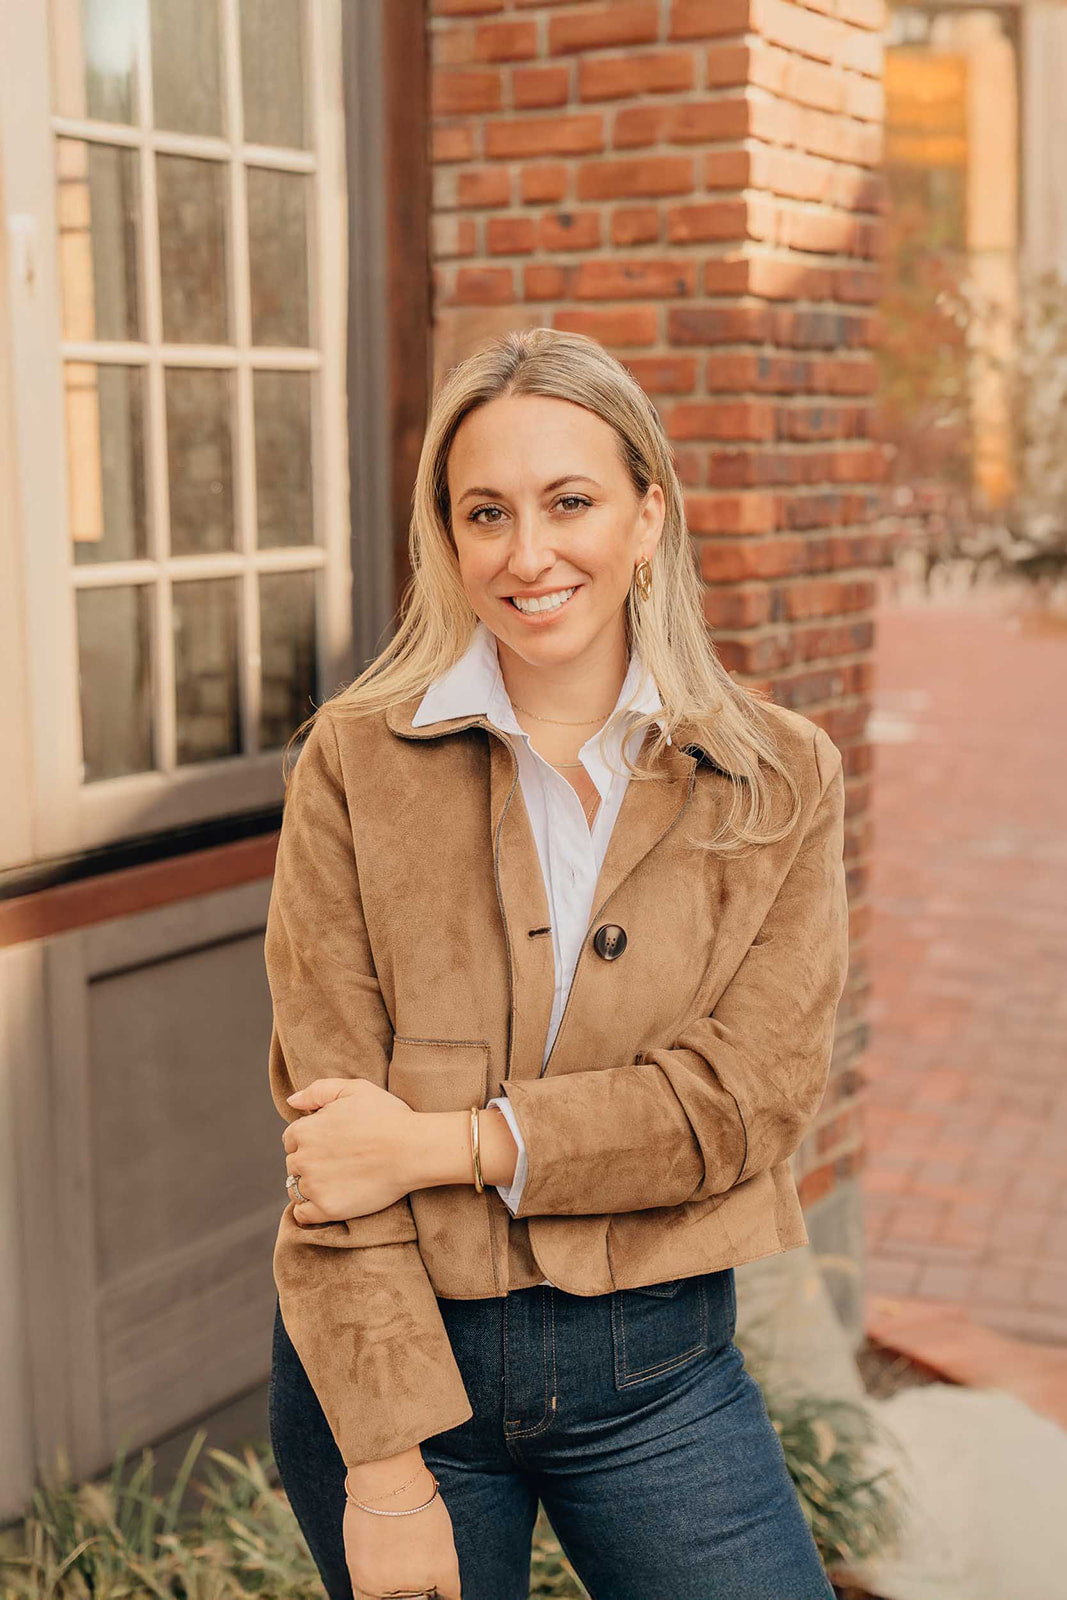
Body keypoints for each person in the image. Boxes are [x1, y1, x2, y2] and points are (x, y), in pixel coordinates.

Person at [264, 327, 849, 1600]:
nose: (527, 555)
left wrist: (450, 1143)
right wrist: (383, 1471)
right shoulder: (355, 763)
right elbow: (330, 1145)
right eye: (487, 513)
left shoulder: (776, 774)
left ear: (646, 514)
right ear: (449, 538)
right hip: (401, 1375)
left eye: (569, 501)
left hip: (660, 1373)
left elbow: (741, 1104)